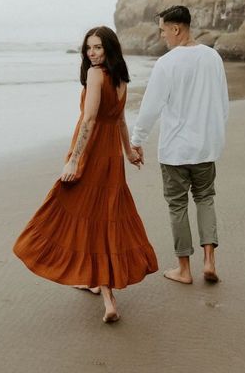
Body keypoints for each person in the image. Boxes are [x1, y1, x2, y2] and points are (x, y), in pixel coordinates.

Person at [13, 26, 158, 323]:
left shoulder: (95, 75)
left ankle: (108, 299)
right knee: (102, 218)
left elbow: (90, 119)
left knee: (65, 211)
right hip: (111, 159)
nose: (92, 53)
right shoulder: (120, 78)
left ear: (109, 49)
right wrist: (128, 151)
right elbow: (119, 119)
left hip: (91, 156)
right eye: (88, 48)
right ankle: (94, 281)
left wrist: (74, 160)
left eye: (97, 48)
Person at [131, 5, 228, 285]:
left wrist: (137, 141)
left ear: (176, 29)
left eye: (163, 30)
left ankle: (184, 270)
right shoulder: (213, 58)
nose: (162, 36)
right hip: (205, 148)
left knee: (177, 206)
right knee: (205, 199)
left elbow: (151, 108)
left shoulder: (167, 63)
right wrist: (215, 139)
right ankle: (209, 259)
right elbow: (222, 104)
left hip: (175, 150)